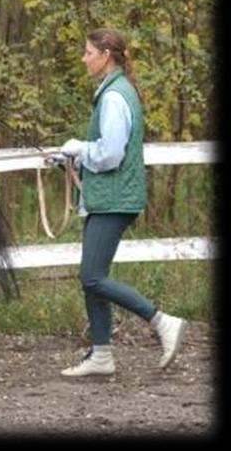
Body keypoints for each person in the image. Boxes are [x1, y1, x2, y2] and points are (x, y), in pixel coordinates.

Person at [52, 28, 187, 377]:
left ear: (106, 55)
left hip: (113, 199)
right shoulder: (115, 91)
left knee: (92, 277)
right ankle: (101, 355)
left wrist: (80, 150)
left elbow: (111, 154)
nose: (84, 59)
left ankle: (161, 321)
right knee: (92, 277)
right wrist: (72, 157)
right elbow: (107, 150)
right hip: (108, 198)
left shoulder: (113, 98)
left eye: (87, 53)